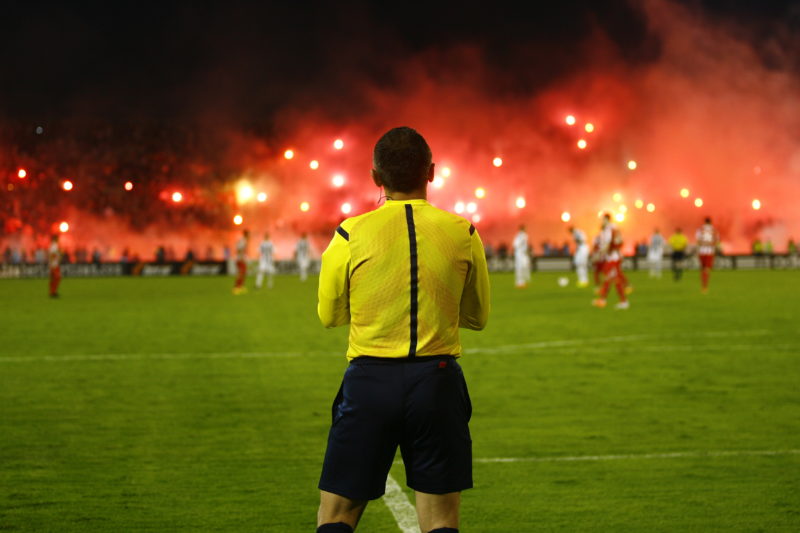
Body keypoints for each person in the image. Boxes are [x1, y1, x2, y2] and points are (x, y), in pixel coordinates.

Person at [316, 127, 490, 533]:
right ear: (431, 172)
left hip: (370, 381)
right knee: (441, 521)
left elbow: (330, 315)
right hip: (437, 381)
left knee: (337, 516)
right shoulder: (462, 232)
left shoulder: (349, 234)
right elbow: (477, 317)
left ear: (376, 176)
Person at [592, 213, 629, 309]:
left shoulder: (609, 229)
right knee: (612, 278)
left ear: (607, 219)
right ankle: (606, 300)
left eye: (603, 219)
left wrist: (599, 255)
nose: (601, 221)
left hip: (613, 257)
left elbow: (608, 244)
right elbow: (619, 240)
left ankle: (620, 301)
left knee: (611, 279)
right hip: (612, 256)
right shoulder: (613, 228)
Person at [695, 217, 719, 293]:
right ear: (711, 222)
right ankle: (705, 287)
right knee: (707, 270)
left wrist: (703, 244)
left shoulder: (700, 229)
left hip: (702, 251)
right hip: (710, 252)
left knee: (702, 269)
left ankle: (703, 286)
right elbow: (716, 241)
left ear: (704, 222)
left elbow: (698, 241)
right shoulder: (714, 230)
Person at [232, 229, 249, 294]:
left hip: (241, 258)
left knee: (243, 272)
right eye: (248, 234)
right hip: (240, 259)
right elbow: (239, 249)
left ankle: (241, 286)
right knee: (241, 273)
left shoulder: (244, 240)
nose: (249, 236)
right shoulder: (243, 241)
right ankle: (236, 287)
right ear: (246, 234)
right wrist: (241, 257)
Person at [48, 234, 61, 298]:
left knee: (54, 278)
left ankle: (52, 292)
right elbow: (52, 255)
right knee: (56, 278)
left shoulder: (53, 245)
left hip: (54, 264)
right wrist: (52, 264)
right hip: (54, 265)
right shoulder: (54, 246)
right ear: (55, 239)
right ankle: (53, 292)